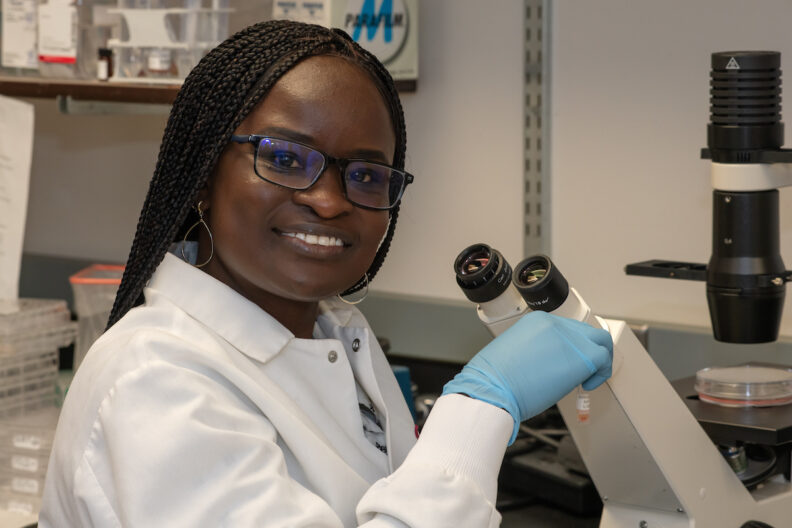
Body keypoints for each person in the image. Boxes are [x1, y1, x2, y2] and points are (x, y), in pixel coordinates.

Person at [40, 20, 612, 527]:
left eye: (365, 174)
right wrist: (478, 412)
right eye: (285, 159)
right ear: (205, 176)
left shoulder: (339, 334)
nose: (330, 201)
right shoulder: (154, 383)